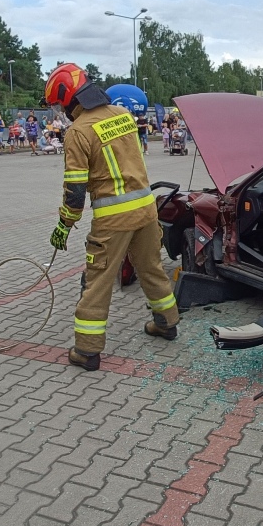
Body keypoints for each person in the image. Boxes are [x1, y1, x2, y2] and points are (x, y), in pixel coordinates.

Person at [45, 63, 179, 371]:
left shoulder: (78, 133)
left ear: (68, 99)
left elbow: (76, 192)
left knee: (98, 281)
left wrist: (64, 225)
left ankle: (87, 351)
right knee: (151, 269)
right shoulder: (122, 116)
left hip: (113, 219)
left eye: (57, 104)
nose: (59, 110)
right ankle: (167, 323)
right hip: (146, 209)